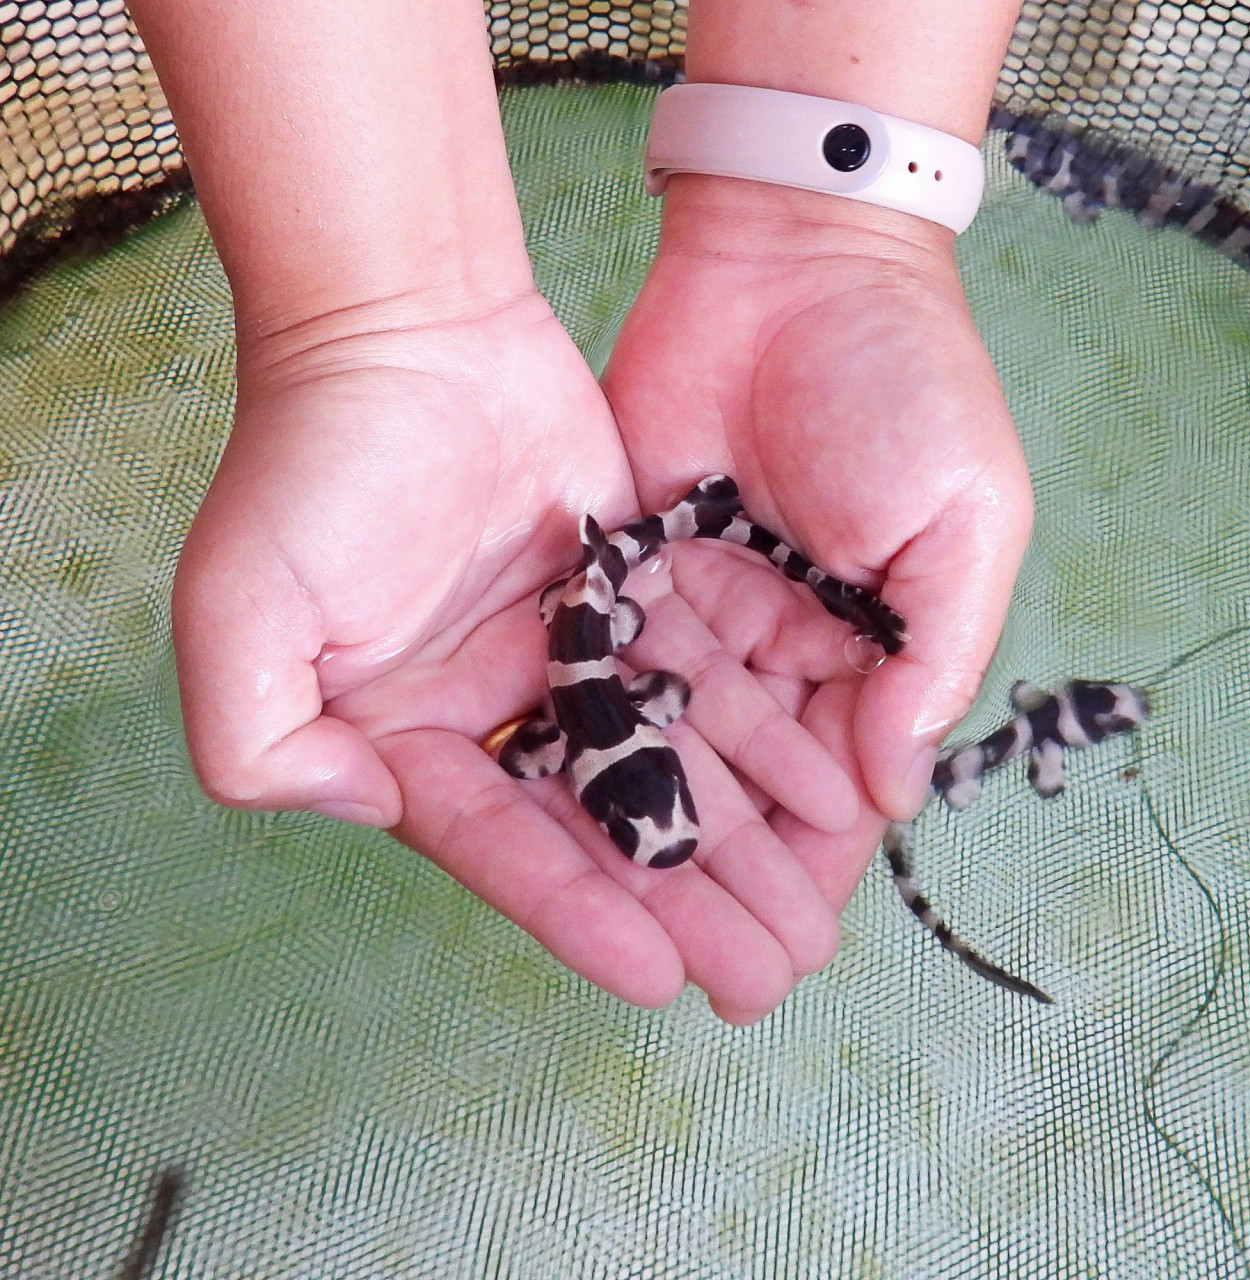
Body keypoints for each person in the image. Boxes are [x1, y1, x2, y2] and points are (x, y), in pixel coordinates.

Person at [128, 0, 1032, 1025]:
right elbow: (541, 748)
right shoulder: (566, 726)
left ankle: (699, 522)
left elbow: (628, 711)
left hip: (607, 613)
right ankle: (699, 523)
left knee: (649, 573)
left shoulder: (622, 707)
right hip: (593, 605)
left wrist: (828, 233)